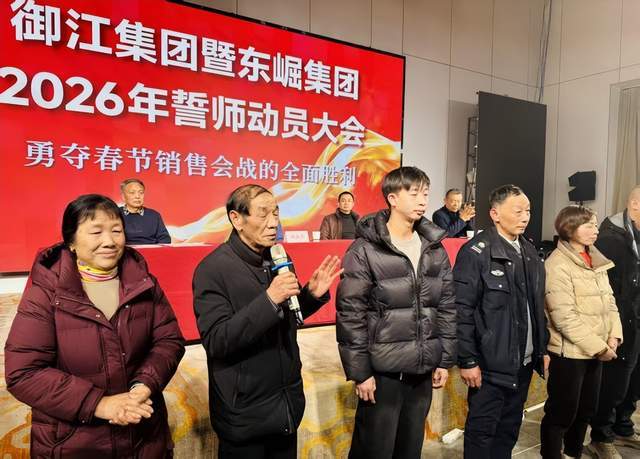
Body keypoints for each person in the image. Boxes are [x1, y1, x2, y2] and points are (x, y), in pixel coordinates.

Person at [4, 194, 185, 458]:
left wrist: (144, 385)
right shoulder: (47, 291)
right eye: (96, 232)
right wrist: (99, 404)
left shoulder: (143, 282)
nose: (109, 241)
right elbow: (24, 373)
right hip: (73, 441)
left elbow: (168, 341)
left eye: (116, 231)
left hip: (143, 435)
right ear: (71, 241)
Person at [192, 184, 342, 459]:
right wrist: (270, 299)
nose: (274, 222)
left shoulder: (278, 258)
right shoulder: (212, 269)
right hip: (245, 414)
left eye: (276, 213)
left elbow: (288, 317)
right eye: (263, 214)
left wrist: (310, 296)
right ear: (236, 219)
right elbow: (217, 341)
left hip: (286, 407)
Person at [336, 166, 456, 459]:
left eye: (425, 193)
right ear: (392, 198)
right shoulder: (365, 249)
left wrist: (444, 359)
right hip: (383, 372)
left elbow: (446, 306)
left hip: (422, 369)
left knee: (410, 448)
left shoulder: (434, 248)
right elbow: (351, 313)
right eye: (414, 193)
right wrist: (360, 372)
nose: (422, 200)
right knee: (374, 449)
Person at [455, 184, 549, 459]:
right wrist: (468, 360)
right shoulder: (476, 253)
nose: (525, 217)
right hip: (490, 365)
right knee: (482, 433)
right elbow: (461, 310)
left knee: (509, 430)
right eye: (518, 211)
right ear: (495, 214)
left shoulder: (529, 251)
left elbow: (537, 306)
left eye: (528, 211)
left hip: (523, 362)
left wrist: (541, 349)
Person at [540, 205, 623, 459]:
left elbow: (610, 302)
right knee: (562, 413)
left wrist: (614, 335)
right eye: (589, 226)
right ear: (570, 228)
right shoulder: (557, 264)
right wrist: (600, 348)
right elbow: (564, 318)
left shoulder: (595, 258)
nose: (595, 230)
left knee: (586, 410)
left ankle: (573, 453)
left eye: (595, 225)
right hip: (570, 353)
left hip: (597, 349)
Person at [588, 186, 640, 458]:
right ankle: (601, 435)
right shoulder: (610, 238)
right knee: (615, 382)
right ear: (635, 205)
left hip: (638, 317)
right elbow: (602, 288)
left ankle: (623, 426)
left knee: (635, 380)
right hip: (621, 321)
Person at [119, 178, 171, 244]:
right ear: (123, 196)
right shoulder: (116, 214)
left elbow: (165, 239)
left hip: (150, 249)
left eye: (141, 193)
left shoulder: (154, 215)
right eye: (132, 193)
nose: (137, 196)